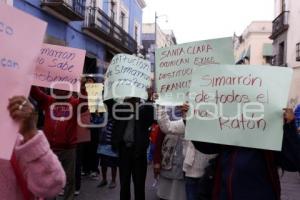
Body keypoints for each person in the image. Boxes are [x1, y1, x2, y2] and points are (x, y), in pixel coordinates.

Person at [187, 105, 300, 200]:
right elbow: (207, 147)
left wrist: (289, 127)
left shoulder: (271, 130)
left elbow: (293, 162)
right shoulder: (228, 125)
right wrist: (190, 119)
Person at [1, 96, 66, 199]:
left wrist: (30, 133)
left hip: (67, 145)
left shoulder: (13, 141)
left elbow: (52, 186)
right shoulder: (49, 101)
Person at [30, 85, 86, 200]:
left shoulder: (75, 104)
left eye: (62, 88)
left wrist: (83, 86)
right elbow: (34, 92)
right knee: (50, 180)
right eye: (57, 88)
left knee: (69, 179)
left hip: (68, 149)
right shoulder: (48, 101)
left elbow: (85, 103)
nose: (58, 90)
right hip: (50, 149)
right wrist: (31, 75)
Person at [109, 90, 155, 200]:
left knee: (139, 185)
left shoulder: (145, 109)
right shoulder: (121, 108)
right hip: (124, 150)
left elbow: (150, 118)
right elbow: (110, 105)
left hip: (139, 153)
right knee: (124, 184)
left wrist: (148, 98)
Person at [97, 114, 118, 189]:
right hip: (103, 145)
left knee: (113, 165)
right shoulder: (104, 119)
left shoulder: (116, 120)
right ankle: (104, 179)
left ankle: (113, 181)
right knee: (103, 164)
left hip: (112, 145)